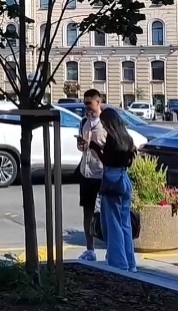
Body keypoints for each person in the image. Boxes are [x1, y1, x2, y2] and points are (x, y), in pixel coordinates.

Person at [86, 108, 136, 272]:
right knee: (125, 224)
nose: (104, 126)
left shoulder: (112, 139)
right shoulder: (126, 138)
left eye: (105, 122)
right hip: (124, 179)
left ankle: (118, 263)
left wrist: (94, 147)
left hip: (112, 179)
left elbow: (107, 161)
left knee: (112, 224)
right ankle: (130, 263)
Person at [76, 88, 106, 262]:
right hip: (86, 173)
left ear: (98, 102)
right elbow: (81, 148)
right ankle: (90, 249)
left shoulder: (106, 123)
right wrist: (81, 144)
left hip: (101, 172)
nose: (87, 107)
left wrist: (94, 143)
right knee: (87, 211)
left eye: (89, 103)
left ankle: (111, 247)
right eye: (85, 103)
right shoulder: (83, 122)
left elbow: (111, 148)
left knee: (105, 212)